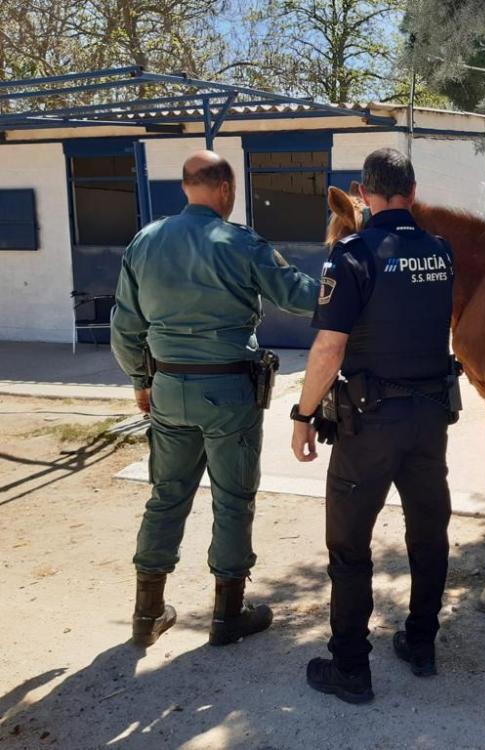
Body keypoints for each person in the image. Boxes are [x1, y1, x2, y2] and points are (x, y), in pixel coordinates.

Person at [111, 150, 319, 648]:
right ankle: (228, 615)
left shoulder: (145, 241)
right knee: (232, 498)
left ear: (186, 187)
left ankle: (148, 613)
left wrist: (142, 380)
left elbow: (124, 327)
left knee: (166, 496)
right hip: (229, 392)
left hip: (166, 387)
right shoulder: (241, 242)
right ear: (225, 189)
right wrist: (350, 279)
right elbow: (297, 295)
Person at [291, 148, 456, 704]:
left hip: (370, 425)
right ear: (412, 190)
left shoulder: (351, 254)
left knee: (349, 546)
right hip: (431, 420)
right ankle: (421, 644)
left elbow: (328, 349)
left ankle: (351, 671)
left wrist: (304, 414)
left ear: (364, 193)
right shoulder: (441, 252)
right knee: (428, 534)